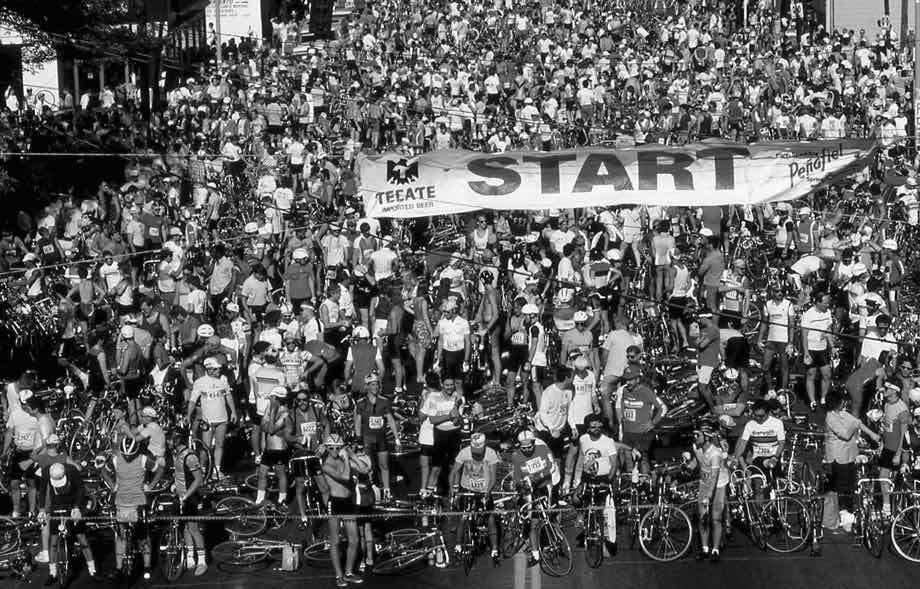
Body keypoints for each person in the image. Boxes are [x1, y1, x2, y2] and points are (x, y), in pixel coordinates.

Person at [102, 437, 163, 581]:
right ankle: (118, 568)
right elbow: (103, 471)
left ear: (136, 452)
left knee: (143, 535)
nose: (128, 457)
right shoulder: (116, 460)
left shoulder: (143, 459)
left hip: (139, 502)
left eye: (131, 455)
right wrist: (113, 486)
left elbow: (160, 470)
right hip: (121, 502)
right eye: (125, 455)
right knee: (120, 535)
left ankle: (147, 566)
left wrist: (151, 486)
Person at [38, 462, 101, 584]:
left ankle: (93, 570)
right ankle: (52, 573)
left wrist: (77, 507)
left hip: (72, 503)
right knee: (54, 541)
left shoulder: (72, 470)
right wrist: (41, 510)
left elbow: (80, 489)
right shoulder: (46, 471)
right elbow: (42, 491)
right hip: (56, 504)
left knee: (82, 538)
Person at [824, 389, 880, 525]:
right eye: (842, 401)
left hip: (849, 455)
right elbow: (845, 435)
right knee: (841, 487)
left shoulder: (842, 413)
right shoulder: (830, 418)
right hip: (838, 457)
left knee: (850, 485)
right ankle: (842, 514)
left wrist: (872, 434)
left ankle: (849, 512)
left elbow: (858, 422)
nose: (844, 403)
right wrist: (853, 425)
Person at [449, 432, 500, 562]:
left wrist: (488, 491)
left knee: (490, 518)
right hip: (466, 488)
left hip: (484, 490)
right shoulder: (464, 452)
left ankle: (494, 548)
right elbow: (454, 472)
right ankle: (458, 545)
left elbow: (493, 477)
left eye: (479, 452)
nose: (476, 454)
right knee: (463, 517)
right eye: (474, 451)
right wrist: (452, 489)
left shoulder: (491, 454)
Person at [321, 434, 363, 587]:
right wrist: (346, 460)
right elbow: (344, 478)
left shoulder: (344, 458)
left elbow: (365, 469)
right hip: (335, 502)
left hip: (347, 502)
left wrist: (353, 456)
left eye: (338, 448)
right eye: (331, 448)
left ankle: (349, 572)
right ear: (327, 448)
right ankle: (339, 575)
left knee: (354, 540)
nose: (334, 451)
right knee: (335, 540)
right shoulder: (326, 465)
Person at [187, 356, 238, 479]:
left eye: (218, 369)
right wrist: (188, 415)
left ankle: (217, 470)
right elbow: (192, 401)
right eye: (216, 369)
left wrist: (233, 412)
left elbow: (228, 396)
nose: (218, 371)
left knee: (220, 445)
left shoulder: (223, 379)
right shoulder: (200, 382)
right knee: (206, 446)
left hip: (222, 419)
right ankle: (202, 469)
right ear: (209, 370)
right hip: (208, 420)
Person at [510, 429, 555, 566]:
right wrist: (520, 484)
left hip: (544, 486)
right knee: (532, 523)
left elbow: (551, 466)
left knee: (547, 517)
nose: (527, 450)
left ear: (534, 443)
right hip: (529, 490)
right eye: (523, 448)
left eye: (529, 447)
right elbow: (516, 476)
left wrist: (537, 477)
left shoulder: (542, 449)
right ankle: (535, 554)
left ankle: (549, 544)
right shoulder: (516, 456)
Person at [687, 425, 729, 562]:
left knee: (716, 518)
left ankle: (715, 549)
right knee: (703, 517)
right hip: (704, 483)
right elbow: (696, 461)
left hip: (718, 485)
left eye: (697, 435)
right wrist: (687, 466)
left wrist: (708, 496)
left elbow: (714, 477)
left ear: (706, 437)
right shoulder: (697, 447)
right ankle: (705, 549)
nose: (695, 437)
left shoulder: (715, 454)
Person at [170, 425, 208, 577]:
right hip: (180, 496)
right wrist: (175, 485)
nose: (168, 441)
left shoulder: (190, 457)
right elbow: (180, 474)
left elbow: (198, 480)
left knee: (193, 529)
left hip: (190, 497)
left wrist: (186, 496)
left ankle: (202, 561)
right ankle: (191, 557)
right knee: (185, 527)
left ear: (178, 439)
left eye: (171, 438)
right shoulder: (177, 454)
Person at [354, 373, 399, 499]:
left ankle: (387, 490)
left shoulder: (384, 401)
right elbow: (357, 422)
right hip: (367, 439)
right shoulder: (361, 403)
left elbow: (390, 420)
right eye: (373, 385)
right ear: (367, 386)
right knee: (369, 467)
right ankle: (371, 490)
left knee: (384, 465)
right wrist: (358, 439)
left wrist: (397, 439)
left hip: (381, 439)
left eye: (377, 385)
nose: (375, 387)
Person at [616, 365, 666, 472]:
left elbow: (662, 408)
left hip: (642, 434)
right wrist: (622, 422)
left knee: (642, 459)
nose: (628, 382)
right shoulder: (624, 390)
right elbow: (623, 405)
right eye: (626, 379)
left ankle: (645, 480)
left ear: (638, 379)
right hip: (627, 432)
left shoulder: (646, 391)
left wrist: (653, 423)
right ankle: (631, 481)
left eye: (631, 379)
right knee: (628, 459)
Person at [2, 389, 42, 517]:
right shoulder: (15, 414)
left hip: (32, 452)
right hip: (19, 451)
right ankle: (16, 510)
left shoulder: (36, 416)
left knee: (31, 482)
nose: (24, 406)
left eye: (26, 404)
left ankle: (31, 511)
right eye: (22, 403)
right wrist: (4, 451)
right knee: (14, 483)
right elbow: (9, 433)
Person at [734, 400, 785, 496]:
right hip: (758, 459)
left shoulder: (777, 423)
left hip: (773, 457)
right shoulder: (750, 425)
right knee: (758, 488)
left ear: (768, 413)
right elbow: (743, 443)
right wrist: (736, 459)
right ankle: (761, 505)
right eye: (755, 415)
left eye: (761, 416)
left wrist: (775, 458)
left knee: (777, 487)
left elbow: (781, 443)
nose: (758, 418)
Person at [256, 386, 293, 505]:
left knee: (280, 474)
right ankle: (259, 499)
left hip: (280, 448)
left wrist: (272, 413)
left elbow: (271, 429)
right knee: (262, 473)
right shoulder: (268, 407)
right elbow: (263, 426)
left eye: (271, 397)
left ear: (276, 398)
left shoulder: (285, 413)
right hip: (269, 448)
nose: (269, 400)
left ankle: (282, 500)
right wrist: (269, 427)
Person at [879, 381, 910, 515]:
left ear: (894, 391)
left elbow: (903, 435)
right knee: (883, 477)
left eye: (887, 388)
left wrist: (898, 454)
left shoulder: (902, 409)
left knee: (892, 479)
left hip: (896, 448)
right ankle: (887, 505)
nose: (884, 390)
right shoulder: (886, 404)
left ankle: (893, 506)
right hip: (887, 446)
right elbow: (886, 427)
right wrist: (882, 443)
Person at [802, 291, 835, 410]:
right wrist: (806, 353)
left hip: (823, 348)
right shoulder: (808, 315)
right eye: (825, 303)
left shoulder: (828, 312)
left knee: (827, 374)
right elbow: (804, 335)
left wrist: (832, 346)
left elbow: (828, 330)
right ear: (817, 302)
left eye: (828, 303)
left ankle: (823, 398)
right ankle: (812, 401)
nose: (827, 305)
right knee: (811, 374)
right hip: (811, 348)